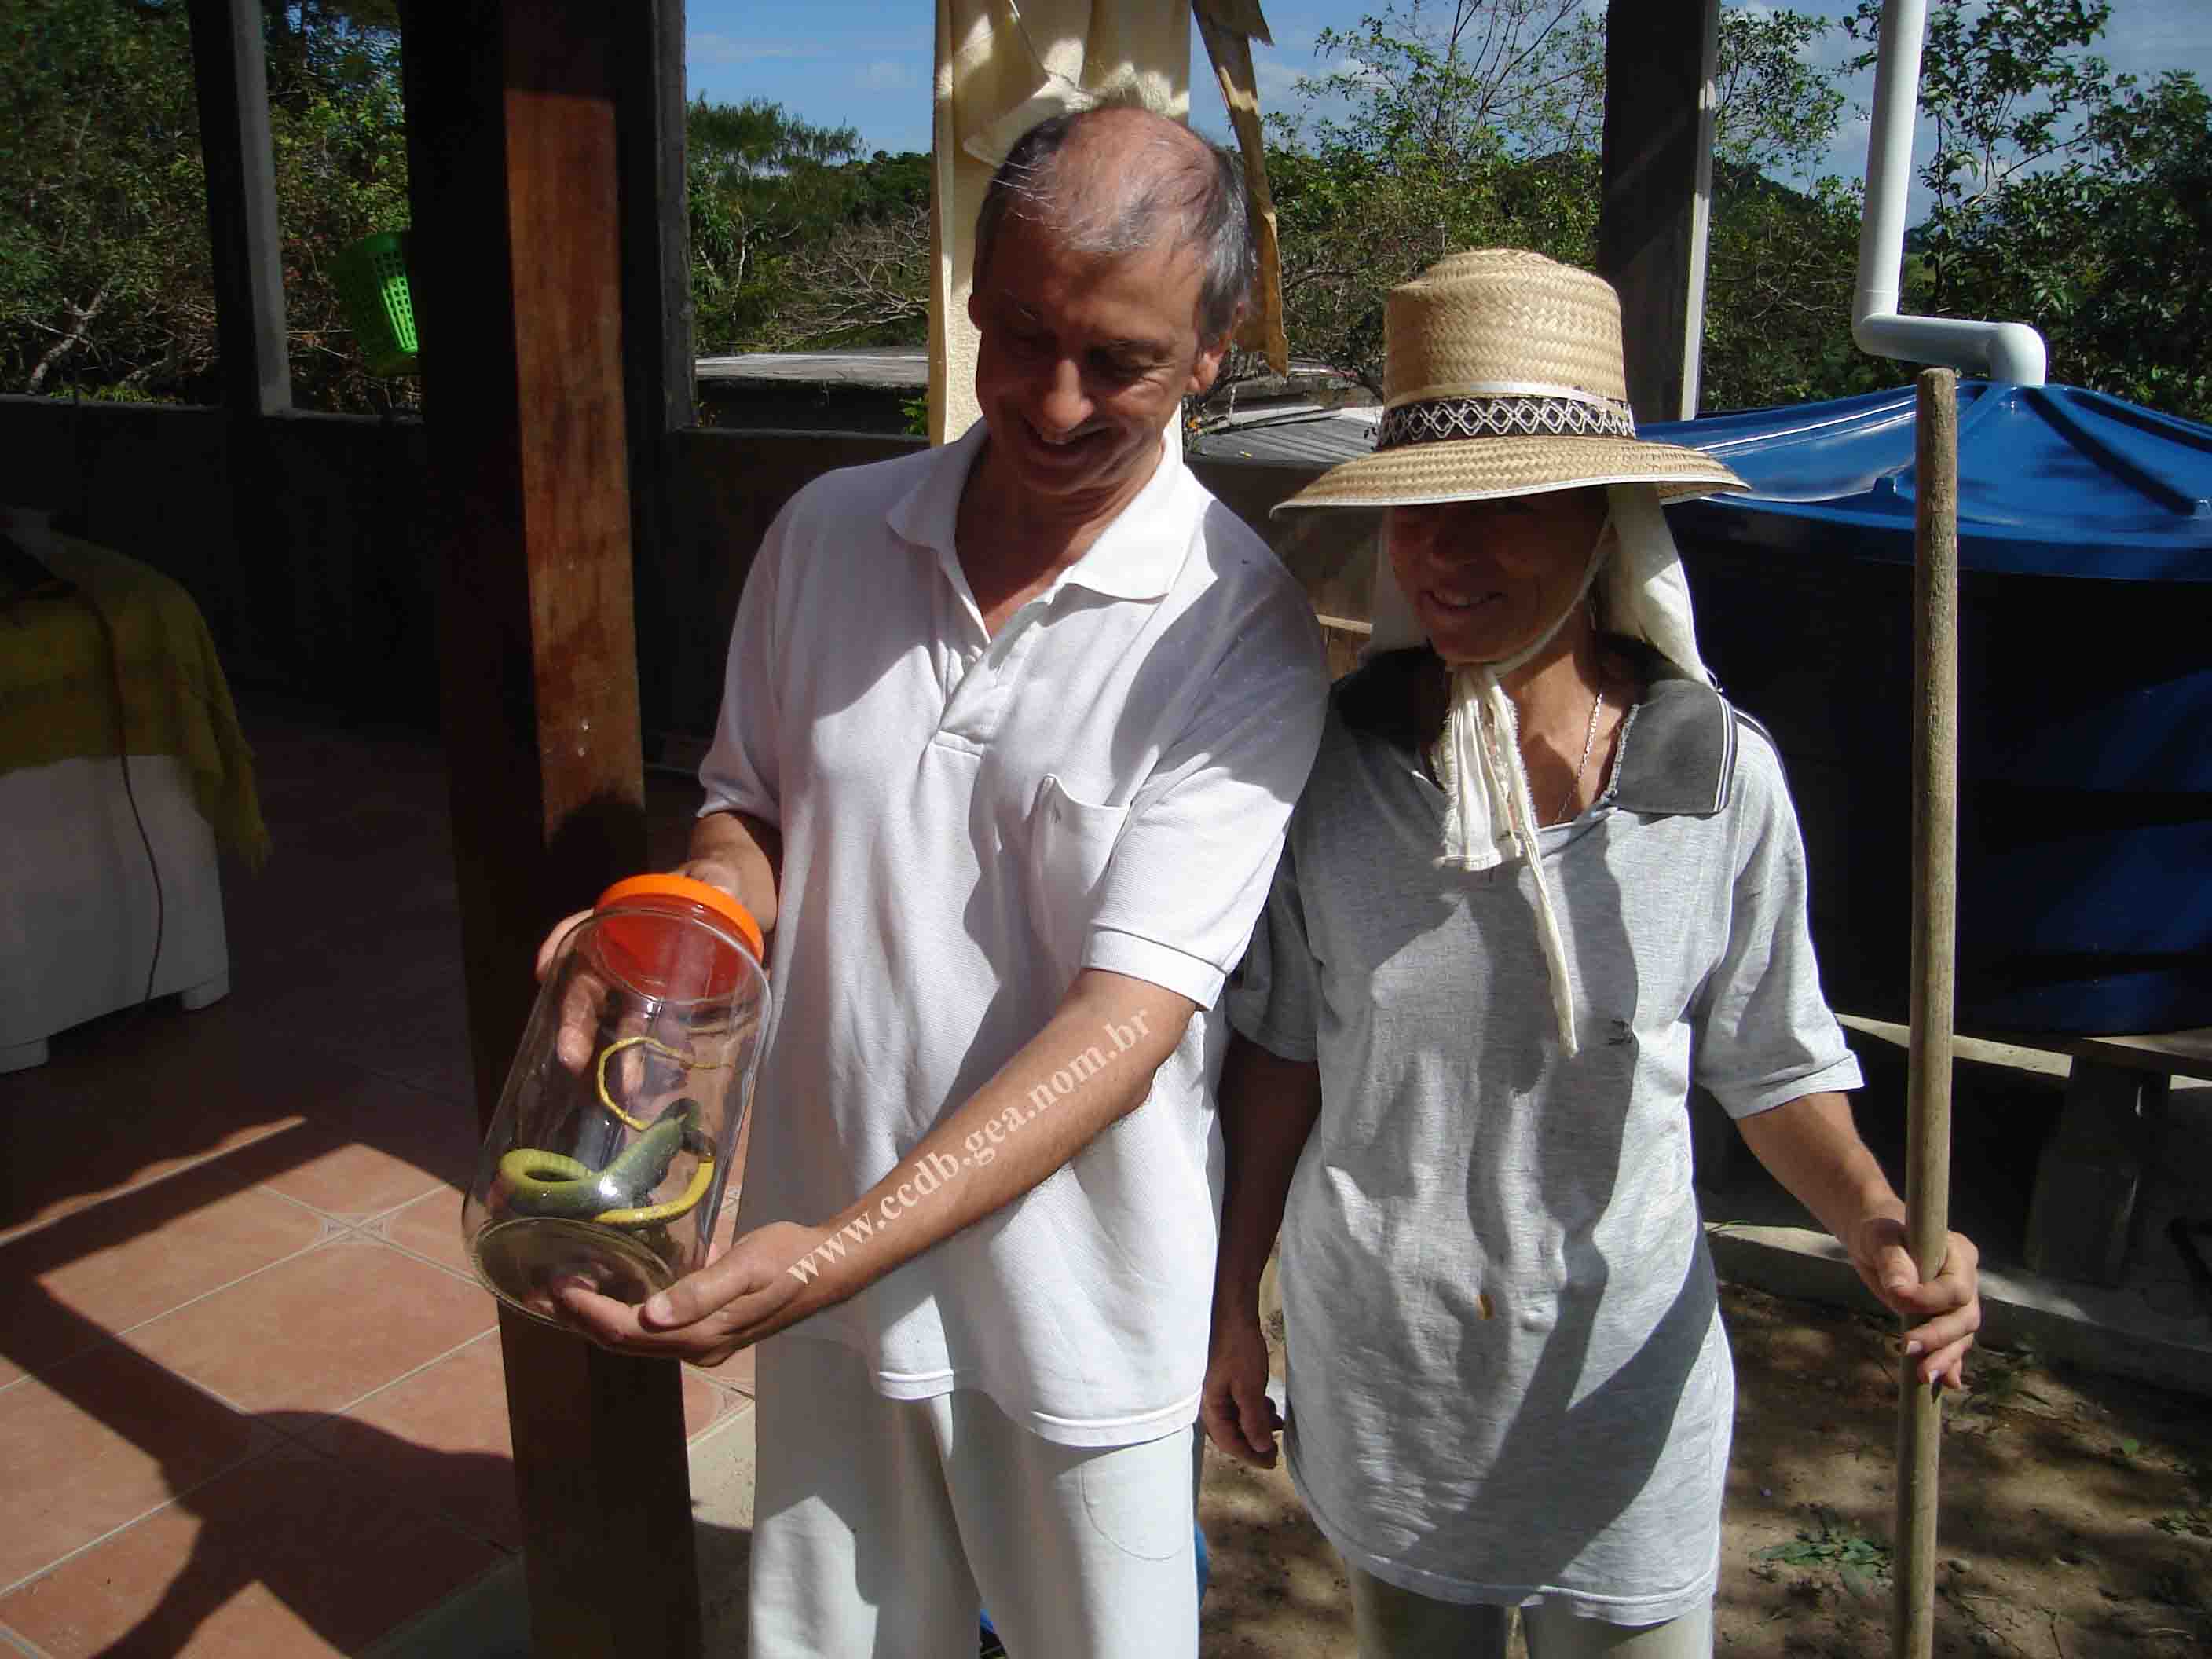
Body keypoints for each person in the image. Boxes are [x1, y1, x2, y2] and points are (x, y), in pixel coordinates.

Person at [537, 106, 1328, 1659]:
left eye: (1121, 361)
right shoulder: (827, 534)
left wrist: (834, 1249)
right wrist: (682, 930)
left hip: (1077, 1314)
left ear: (1212, 351)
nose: (1055, 400)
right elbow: (751, 809)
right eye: (1022, 335)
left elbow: (1125, 1025)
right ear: (973, 290)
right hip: (826, 1278)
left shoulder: (1236, 631)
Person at [1199, 250, 1983, 1658]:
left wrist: (1877, 1222)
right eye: (1418, 514)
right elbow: (1282, 1055)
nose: (1444, 556)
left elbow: (1771, 1060)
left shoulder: (1715, 780)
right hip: (1389, 1370)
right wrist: (1231, 1310)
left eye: (1501, 507)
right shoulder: (1332, 774)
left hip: (1615, 1388)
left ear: (1604, 521)